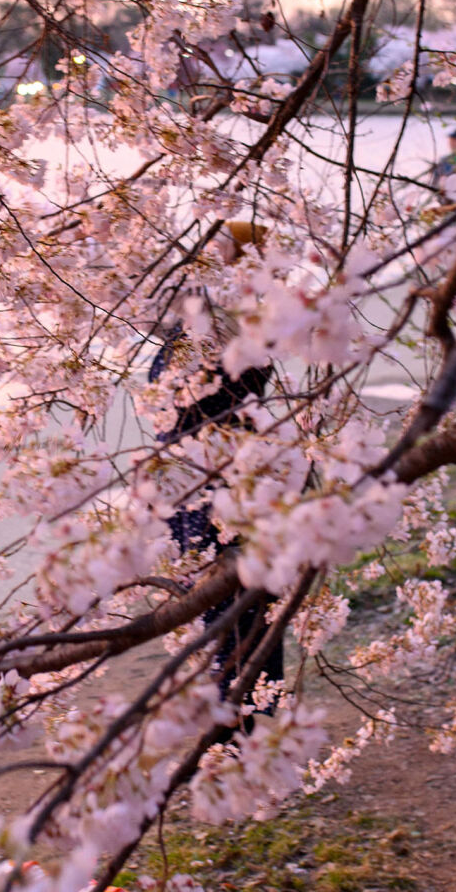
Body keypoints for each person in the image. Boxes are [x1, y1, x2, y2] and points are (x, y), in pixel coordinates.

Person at [149, 220, 286, 714]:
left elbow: (199, 391)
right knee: (223, 597)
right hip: (198, 474)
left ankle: (242, 707)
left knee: (232, 595)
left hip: (220, 475)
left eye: (221, 248)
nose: (209, 255)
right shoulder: (209, 316)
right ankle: (240, 703)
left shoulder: (236, 321)